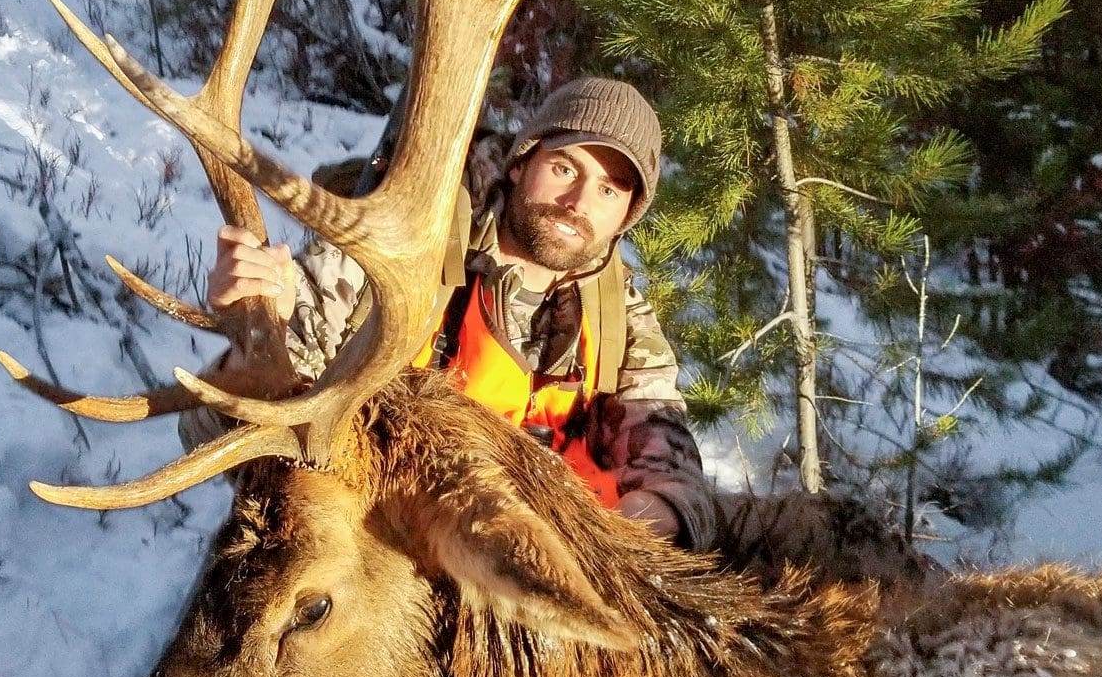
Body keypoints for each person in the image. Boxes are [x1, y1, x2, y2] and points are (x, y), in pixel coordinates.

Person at [190, 77, 719, 551]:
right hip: (382, 542)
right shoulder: (402, 243)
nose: (579, 203)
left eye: (608, 190)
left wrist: (653, 518)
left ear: (627, 215)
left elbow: (670, 464)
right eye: (564, 168)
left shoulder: (620, 320)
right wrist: (260, 332)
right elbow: (215, 429)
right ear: (520, 164)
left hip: (527, 567)